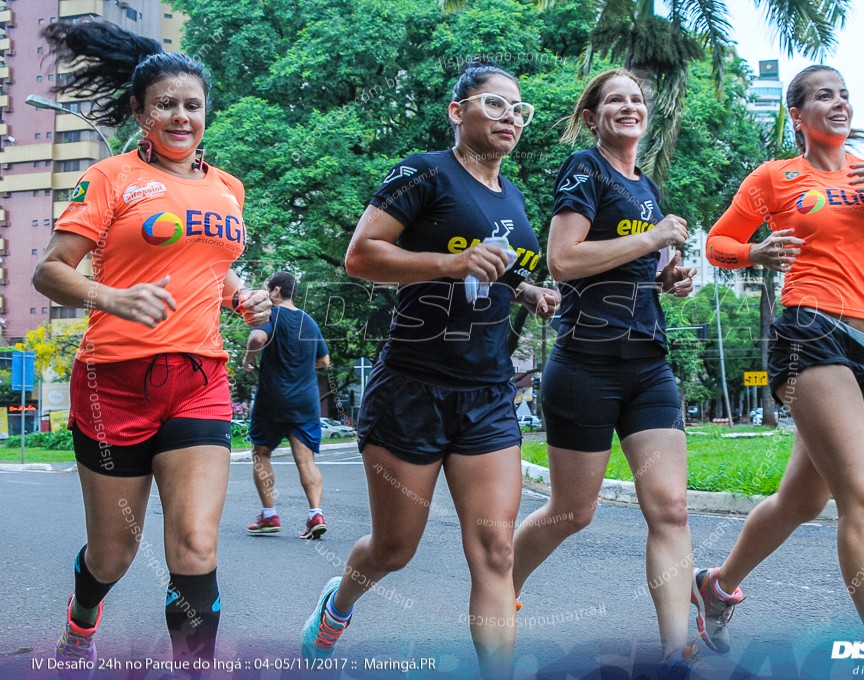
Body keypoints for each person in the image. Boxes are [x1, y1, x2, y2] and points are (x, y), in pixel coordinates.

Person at [299, 57, 559, 680]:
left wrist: (526, 290)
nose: (511, 118)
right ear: (458, 111)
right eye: (495, 104)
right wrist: (450, 265)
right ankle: (338, 604)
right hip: (412, 389)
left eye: (519, 109)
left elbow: (500, 263)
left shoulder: (512, 195)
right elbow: (361, 256)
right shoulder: (425, 172)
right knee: (394, 549)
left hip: (488, 393)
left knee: (496, 553)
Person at [31, 20, 270, 678]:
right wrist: (112, 297)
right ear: (139, 112)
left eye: (192, 104)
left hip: (199, 380)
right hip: (112, 384)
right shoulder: (110, 177)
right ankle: (83, 618)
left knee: (194, 544)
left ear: (205, 114)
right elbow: (50, 270)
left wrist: (241, 296)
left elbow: (213, 265)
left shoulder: (228, 188)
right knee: (114, 555)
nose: (181, 115)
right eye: (165, 104)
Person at [695, 65, 864, 652]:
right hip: (808, 332)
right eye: (823, 96)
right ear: (797, 116)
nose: (839, 104)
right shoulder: (775, 178)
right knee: (863, 498)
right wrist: (757, 251)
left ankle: (716, 586)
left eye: (844, 95)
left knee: (803, 499)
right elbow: (716, 244)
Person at [509, 68, 699, 680]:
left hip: (648, 365)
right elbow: (563, 261)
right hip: (586, 365)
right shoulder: (584, 170)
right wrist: (651, 241)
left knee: (670, 508)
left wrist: (668, 277)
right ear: (592, 117)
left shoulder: (645, 186)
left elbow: (637, 266)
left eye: (636, 99)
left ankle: (676, 656)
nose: (628, 106)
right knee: (573, 512)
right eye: (613, 99)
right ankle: (497, 587)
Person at [243, 271, 331, 539]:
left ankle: (269, 516)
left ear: (276, 291)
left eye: (265, 288)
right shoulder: (309, 321)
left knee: (261, 454)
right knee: (306, 460)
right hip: (306, 401)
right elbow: (324, 362)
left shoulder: (270, 316)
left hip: (273, 399)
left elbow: (257, 338)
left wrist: (248, 359)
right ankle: (315, 514)